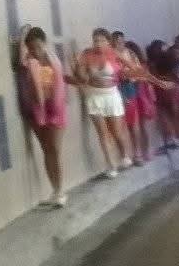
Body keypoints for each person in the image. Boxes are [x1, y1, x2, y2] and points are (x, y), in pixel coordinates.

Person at [16, 25, 67, 208]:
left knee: (55, 149)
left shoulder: (54, 61)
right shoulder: (30, 61)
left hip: (55, 109)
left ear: (44, 44)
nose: (35, 51)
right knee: (46, 150)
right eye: (31, 48)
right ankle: (55, 190)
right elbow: (20, 58)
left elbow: (59, 85)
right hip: (38, 110)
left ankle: (60, 190)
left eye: (38, 47)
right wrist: (22, 37)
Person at [74, 28, 131, 175]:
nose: (98, 43)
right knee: (102, 133)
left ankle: (124, 155)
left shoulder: (114, 54)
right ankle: (111, 165)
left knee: (117, 132)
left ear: (108, 42)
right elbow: (82, 77)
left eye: (101, 40)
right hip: (94, 96)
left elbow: (131, 68)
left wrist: (128, 76)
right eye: (95, 40)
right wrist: (78, 66)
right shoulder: (87, 55)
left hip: (112, 95)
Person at [146, 40, 179, 152]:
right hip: (170, 88)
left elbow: (152, 78)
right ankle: (175, 139)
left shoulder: (152, 63)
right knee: (172, 115)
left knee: (164, 117)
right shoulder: (169, 59)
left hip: (159, 90)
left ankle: (169, 141)